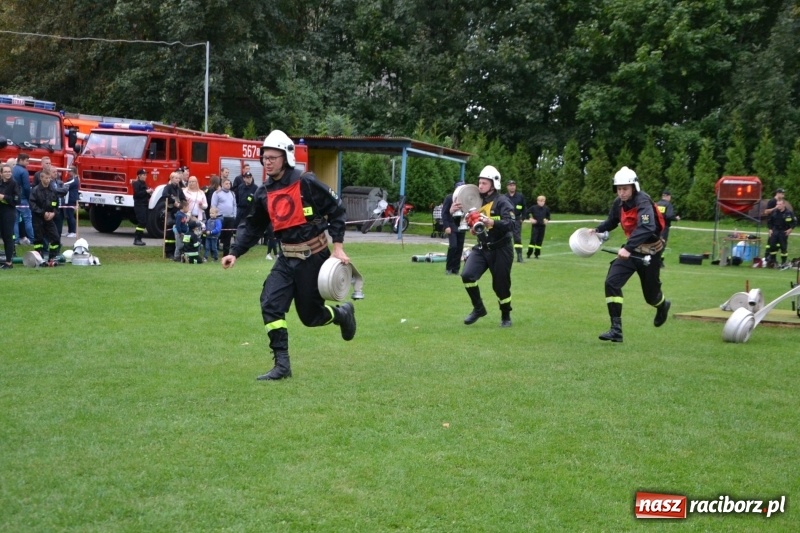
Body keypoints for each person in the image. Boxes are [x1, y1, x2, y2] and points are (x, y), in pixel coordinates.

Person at [222, 129, 356, 381]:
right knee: (270, 305)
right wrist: (235, 252)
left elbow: (337, 209)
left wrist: (337, 246)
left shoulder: (306, 182)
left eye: (273, 157)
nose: (267, 161)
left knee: (311, 317)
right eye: (265, 157)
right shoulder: (263, 193)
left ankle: (342, 314)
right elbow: (252, 226)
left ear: (286, 157)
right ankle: (282, 364)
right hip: (285, 260)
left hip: (314, 258)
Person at [592, 166, 670, 343]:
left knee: (651, 297)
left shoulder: (643, 201)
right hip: (631, 250)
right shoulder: (618, 203)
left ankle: (662, 305)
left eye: (625, 188)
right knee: (611, 282)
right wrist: (597, 230)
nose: (622, 193)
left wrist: (627, 248)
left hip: (650, 253)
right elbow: (612, 221)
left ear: (634, 187)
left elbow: (647, 227)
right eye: (619, 189)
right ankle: (616, 330)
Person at [450, 165, 516, 327]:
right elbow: (463, 223)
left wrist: (492, 222)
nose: (480, 186)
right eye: (479, 182)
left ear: (494, 184)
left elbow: (512, 224)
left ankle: (506, 316)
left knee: (501, 286)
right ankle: (479, 308)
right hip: (482, 247)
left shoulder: (503, 202)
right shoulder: (475, 200)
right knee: (467, 275)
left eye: (484, 183)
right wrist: (453, 212)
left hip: (501, 249)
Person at [29, 168, 62, 264]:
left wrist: (53, 213)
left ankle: (52, 257)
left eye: (49, 178)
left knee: (55, 237)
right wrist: (43, 213)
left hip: (49, 218)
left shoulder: (53, 190)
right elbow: (32, 205)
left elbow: (56, 205)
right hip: (38, 218)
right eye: (46, 178)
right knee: (38, 240)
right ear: (41, 178)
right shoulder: (35, 190)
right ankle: (39, 259)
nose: (48, 180)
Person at [441, 180, 466, 275]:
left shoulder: (466, 198)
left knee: (460, 248)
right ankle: (449, 268)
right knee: (453, 246)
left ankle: (456, 269)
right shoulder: (449, 198)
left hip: (462, 226)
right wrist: (446, 226)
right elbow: (444, 213)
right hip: (451, 226)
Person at [765, 198, 797, 269]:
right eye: (777, 204)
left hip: (783, 231)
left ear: (783, 205)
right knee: (772, 246)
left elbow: (794, 222)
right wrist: (770, 229)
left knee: (783, 247)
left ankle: (783, 262)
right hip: (775, 230)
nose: (778, 206)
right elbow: (769, 221)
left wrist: (790, 229)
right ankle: (773, 261)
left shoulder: (789, 213)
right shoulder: (774, 212)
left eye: (779, 204)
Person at [211, 176, 237, 256]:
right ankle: (214, 253)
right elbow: (213, 205)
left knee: (228, 236)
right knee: (218, 235)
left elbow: (234, 205)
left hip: (230, 218)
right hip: (220, 217)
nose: (228, 185)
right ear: (222, 184)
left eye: (229, 183)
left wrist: (234, 215)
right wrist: (214, 215)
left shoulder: (232, 193)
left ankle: (225, 254)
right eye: (226, 183)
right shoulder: (217, 193)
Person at [0, 163, 19, 268]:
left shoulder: (14, 184)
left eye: (9, 171)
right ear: (1, 173)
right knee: (2, 236)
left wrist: (4, 197)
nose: (8, 173)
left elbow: (16, 200)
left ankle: (9, 262)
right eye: (5, 172)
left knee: (8, 237)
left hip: (9, 213)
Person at [13, 153, 34, 246]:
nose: (28, 163)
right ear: (20, 160)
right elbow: (26, 186)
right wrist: (29, 197)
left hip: (14, 198)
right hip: (23, 199)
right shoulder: (24, 171)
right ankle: (32, 239)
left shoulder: (13, 169)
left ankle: (16, 240)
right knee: (27, 219)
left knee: (15, 221)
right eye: (26, 160)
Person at [505, 180, 526, 262]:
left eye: (513, 185)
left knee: (517, 238)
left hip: (517, 220)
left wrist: (523, 218)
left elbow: (524, 208)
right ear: (507, 187)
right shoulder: (504, 197)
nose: (512, 186)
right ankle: (507, 256)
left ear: (515, 186)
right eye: (510, 185)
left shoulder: (520, 197)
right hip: (507, 219)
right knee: (506, 237)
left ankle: (519, 256)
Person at [132, 168, 152, 246]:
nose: (145, 176)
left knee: (144, 222)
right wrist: (146, 191)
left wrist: (149, 193)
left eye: (145, 175)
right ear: (139, 176)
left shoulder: (144, 184)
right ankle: (137, 239)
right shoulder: (136, 184)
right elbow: (137, 194)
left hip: (144, 205)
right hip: (139, 205)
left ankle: (139, 239)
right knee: (142, 222)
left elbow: (145, 195)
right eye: (143, 175)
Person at [60, 166, 79, 238]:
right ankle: (69, 231)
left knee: (70, 215)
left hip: (72, 199)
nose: (68, 172)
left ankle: (73, 231)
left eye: (69, 171)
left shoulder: (74, 179)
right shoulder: (72, 179)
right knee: (68, 215)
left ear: (73, 171)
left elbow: (66, 185)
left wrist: (61, 184)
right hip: (68, 198)